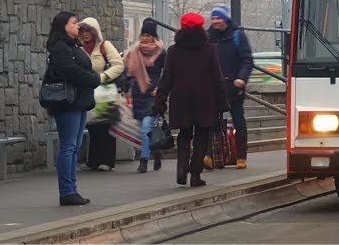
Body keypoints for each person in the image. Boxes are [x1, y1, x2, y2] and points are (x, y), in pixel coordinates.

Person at [153, 12, 228, 188]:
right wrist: (222, 102)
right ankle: (195, 175)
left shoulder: (173, 51)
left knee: (184, 134)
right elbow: (217, 78)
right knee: (202, 136)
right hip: (205, 99)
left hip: (181, 99)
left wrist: (160, 101)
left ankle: (181, 168)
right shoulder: (209, 49)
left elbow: (166, 79)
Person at [42, 11, 102, 206]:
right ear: (63, 26)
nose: (78, 26)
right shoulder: (60, 48)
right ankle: (67, 191)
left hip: (79, 101)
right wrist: (94, 79)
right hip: (67, 103)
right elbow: (71, 71)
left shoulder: (73, 46)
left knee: (74, 146)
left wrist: (92, 76)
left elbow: (82, 67)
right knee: (68, 146)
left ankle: (72, 189)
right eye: (74, 23)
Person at [206, 5, 253, 169]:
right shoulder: (209, 37)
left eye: (218, 18)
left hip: (234, 87)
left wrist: (241, 78)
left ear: (225, 19)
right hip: (214, 87)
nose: (215, 22)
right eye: (213, 18)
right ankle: (209, 156)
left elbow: (247, 60)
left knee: (239, 121)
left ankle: (241, 157)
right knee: (210, 122)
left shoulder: (237, 35)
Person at [79, 17, 124, 171]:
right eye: (82, 31)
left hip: (104, 90)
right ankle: (93, 161)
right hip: (88, 91)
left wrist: (102, 77)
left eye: (88, 31)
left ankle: (107, 161)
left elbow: (118, 65)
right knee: (92, 126)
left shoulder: (105, 46)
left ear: (95, 31)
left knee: (105, 126)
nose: (85, 34)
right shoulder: (79, 48)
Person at [123, 18, 167, 173]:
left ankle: (143, 160)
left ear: (154, 36)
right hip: (138, 94)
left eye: (149, 35)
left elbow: (167, 72)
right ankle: (157, 152)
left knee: (146, 128)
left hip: (154, 95)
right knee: (144, 130)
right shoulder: (134, 51)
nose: (145, 38)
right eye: (143, 35)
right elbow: (128, 73)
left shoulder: (161, 52)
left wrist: (161, 88)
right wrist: (127, 89)